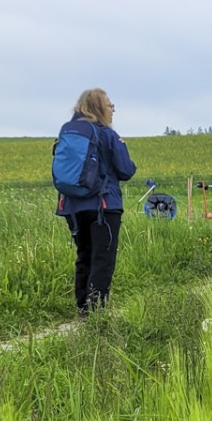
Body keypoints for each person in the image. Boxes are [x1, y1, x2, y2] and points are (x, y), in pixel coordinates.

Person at [55, 88, 137, 315]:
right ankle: (97, 314)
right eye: (110, 106)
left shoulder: (70, 133)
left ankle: (83, 309)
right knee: (103, 259)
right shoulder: (108, 135)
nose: (112, 110)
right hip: (104, 206)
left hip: (73, 207)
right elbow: (125, 170)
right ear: (101, 108)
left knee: (84, 255)